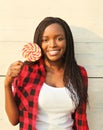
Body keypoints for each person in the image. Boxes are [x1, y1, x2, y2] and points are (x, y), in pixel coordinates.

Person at [4, 17, 89, 130]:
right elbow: (14, 120)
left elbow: (81, 120)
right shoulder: (27, 72)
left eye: (59, 38)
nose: (52, 44)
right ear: (39, 43)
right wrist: (7, 84)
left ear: (67, 41)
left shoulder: (79, 73)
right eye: (45, 40)